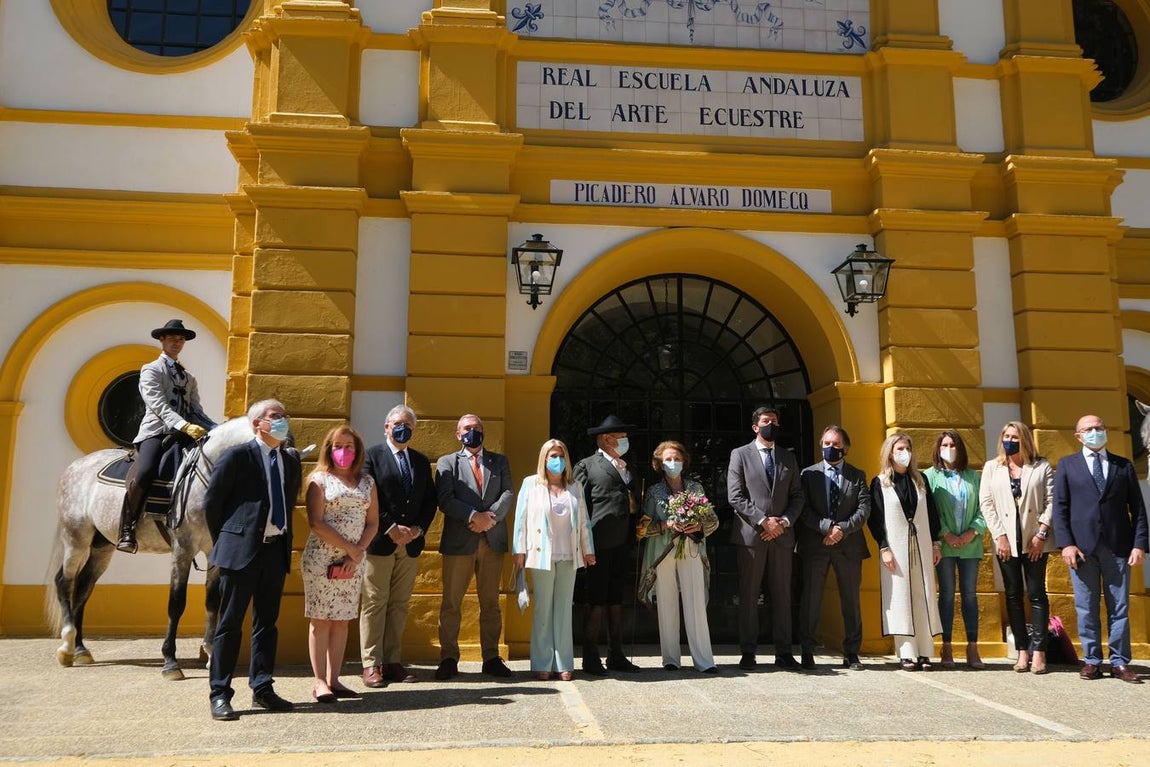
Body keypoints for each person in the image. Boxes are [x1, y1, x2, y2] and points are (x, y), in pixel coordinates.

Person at [204, 399, 301, 721]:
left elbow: (287, 503)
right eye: (275, 416)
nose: (282, 421)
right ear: (258, 423)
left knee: (266, 625)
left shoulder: (289, 461)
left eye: (283, 416)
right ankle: (220, 693)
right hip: (240, 553)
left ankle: (263, 688)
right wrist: (230, 540)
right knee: (229, 626)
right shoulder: (236, 456)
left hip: (274, 551)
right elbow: (213, 503)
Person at [1052, 414, 1148, 683]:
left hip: (1118, 546)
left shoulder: (1123, 466)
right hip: (1082, 549)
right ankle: (1092, 660)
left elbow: (1138, 510)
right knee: (1086, 607)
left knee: (1119, 607)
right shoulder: (1067, 466)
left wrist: (1139, 544)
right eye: (1089, 429)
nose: (1095, 432)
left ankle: (1119, 662)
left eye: (1099, 428)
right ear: (1078, 436)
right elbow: (1060, 509)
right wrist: (1066, 544)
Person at [117, 318, 217, 553]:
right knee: (145, 471)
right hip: (156, 432)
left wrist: (216, 429)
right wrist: (183, 425)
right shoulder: (151, 370)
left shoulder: (188, 378)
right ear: (162, 340)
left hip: (183, 433)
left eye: (181, 339)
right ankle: (127, 528)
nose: (177, 342)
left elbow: (196, 411)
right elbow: (158, 405)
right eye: (172, 338)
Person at [359, 405, 437, 687]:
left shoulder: (419, 460)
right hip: (380, 542)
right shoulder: (372, 457)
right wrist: (390, 527)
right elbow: (367, 494)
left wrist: (417, 529)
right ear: (386, 426)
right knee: (374, 603)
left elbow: (430, 500)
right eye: (397, 423)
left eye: (408, 425)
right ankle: (371, 664)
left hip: (411, 545)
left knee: (400, 604)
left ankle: (392, 662)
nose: (402, 428)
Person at [301, 424, 379, 702]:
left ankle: (335, 679)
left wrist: (356, 554)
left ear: (357, 451)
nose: (343, 452)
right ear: (329, 449)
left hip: (354, 561)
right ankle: (319, 681)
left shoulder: (367, 483)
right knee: (321, 620)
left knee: (343, 621)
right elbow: (315, 522)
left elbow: (372, 522)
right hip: (322, 559)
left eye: (349, 446)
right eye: (338, 446)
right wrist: (350, 550)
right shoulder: (318, 480)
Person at [434, 413, 515, 680]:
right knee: (451, 604)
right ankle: (448, 657)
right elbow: (445, 499)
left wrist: (488, 519)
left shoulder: (499, 461)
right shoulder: (448, 462)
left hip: (491, 540)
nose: (473, 432)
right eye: (468, 429)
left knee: (491, 603)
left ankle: (491, 657)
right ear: (458, 434)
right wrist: (473, 517)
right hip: (460, 540)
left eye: (478, 428)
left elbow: (507, 494)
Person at [727, 406, 804, 671]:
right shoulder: (740, 455)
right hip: (752, 536)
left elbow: (798, 496)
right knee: (749, 596)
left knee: (782, 595)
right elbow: (735, 495)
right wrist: (763, 520)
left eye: (774, 421)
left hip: (782, 536)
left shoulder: (788, 457)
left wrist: (783, 521)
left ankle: (784, 651)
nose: (770, 424)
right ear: (755, 426)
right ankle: (748, 651)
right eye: (765, 421)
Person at [512, 439, 596, 680]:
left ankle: (563, 663)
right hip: (540, 555)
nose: (556, 460)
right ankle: (542, 662)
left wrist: (588, 549)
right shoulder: (531, 484)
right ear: (544, 459)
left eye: (560, 455)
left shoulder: (575, 486)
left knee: (563, 609)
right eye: (552, 455)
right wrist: (519, 550)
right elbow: (521, 519)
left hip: (569, 555)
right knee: (543, 609)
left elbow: (583, 521)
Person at [979, 421, 1055, 674]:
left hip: (1035, 540)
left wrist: (1041, 533)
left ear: (1025, 440)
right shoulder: (993, 467)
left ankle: (1039, 652)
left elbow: (1051, 501)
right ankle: (1022, 651)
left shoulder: (1041, 466)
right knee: (1012, 595)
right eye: (1006, 436)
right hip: (1006, 542)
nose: (1010, 440)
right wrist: (999, 535)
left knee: (1036, 594)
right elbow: (986, 503)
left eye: (1015, 436)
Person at [573, 414, 643, 675]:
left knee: (616, 598)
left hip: (623, 542)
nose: (625, 441)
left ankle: (617, 654)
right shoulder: (587, 465)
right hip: (597, 543)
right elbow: (579, 506)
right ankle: (590, 656)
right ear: (605, 439)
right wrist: (583, 543)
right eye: (621, 437)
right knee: (596, 599)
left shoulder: (629, 467)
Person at [797, 425, 871, 671]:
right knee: (811, 600)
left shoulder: (857, 475)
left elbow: (864, 510)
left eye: (836, 444)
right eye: (826, 443)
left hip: (848, 547)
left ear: (845, 448)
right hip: (816, 544)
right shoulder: (808, 474)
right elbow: (803, 509)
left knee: (850, 601)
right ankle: (807, 651)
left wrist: (841, 529)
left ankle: (852, 653)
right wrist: (827, 528)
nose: (830, 447)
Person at [641, 440, 719, 673]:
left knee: (695, 601)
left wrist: (698, 526)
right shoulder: (654, 492)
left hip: (692, 548)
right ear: (659, 463)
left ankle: (704, 660)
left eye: (676, 458)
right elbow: (643, 528)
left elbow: (713, 520)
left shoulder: (695, 488)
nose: (672, 463)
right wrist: (666, 524)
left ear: (684, 461)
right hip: (664, 551)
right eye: (667, 459)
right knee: (666, 602)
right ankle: (671, 659)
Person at [867, 432, 942, 671]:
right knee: (900, 597)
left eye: (907, 448)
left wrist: (935, 544)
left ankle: (925, 652)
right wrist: (884, 547)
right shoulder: (880, 483)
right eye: (899, 448)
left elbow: (932, 513)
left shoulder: (921, 481)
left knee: (923, 595)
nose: (903, 453)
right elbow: (875, 519)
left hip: (921, 544)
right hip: (895, 548)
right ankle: (906, 652)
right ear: (889, 452)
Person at [923, 431, 985, 670]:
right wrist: (945, 534)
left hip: (971, 545)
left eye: (953, 444)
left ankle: (972, 647)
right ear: (938, 449)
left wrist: (972, 531)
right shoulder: (930, 476)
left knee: (970, 595)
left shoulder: (974, 477)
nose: (949, 448)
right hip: (944, 545)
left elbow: (984, 507)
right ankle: (946, 646)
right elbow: (930, 510)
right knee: (946, 595)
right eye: (944, 445)